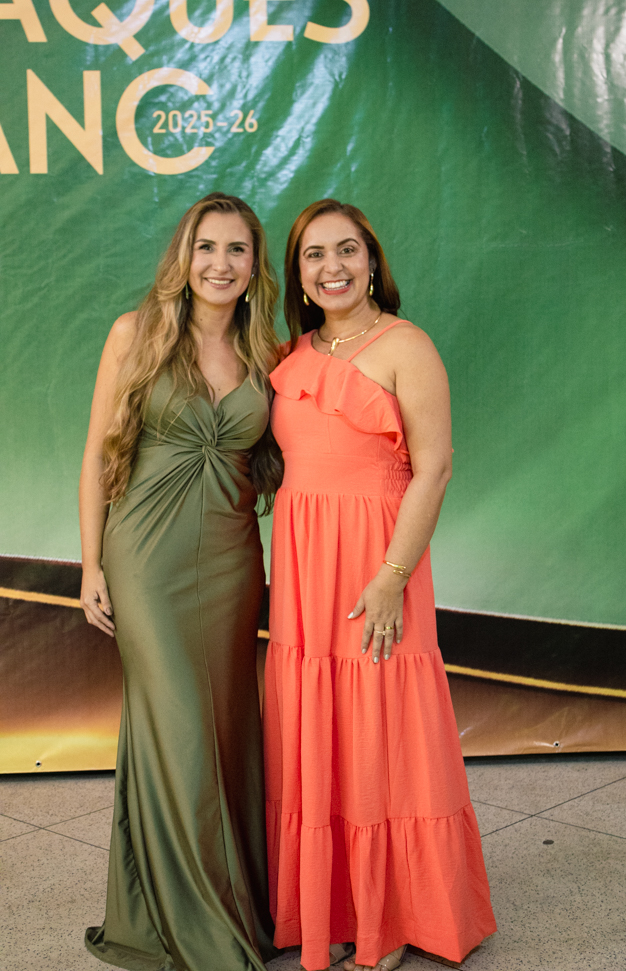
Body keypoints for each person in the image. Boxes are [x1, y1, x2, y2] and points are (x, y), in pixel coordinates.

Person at [263, 200, 496, 971]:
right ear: (297, 273)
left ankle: (388, 916)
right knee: (319, 728)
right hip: (304, 568)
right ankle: (327, 908)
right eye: (313, 255)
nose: (331, 267)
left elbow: (435, 468)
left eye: (346, 250)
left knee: (378, 730)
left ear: (371, 262)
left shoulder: (405, 345)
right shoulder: (290, 354)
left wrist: (392, 577)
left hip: (378, 562)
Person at [79, 193, 281, 971]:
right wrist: (91, 563)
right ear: (183, 256)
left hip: (231, 564)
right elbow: (97, 456)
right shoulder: (133, 335)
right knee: (181, 730)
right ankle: (202, 927)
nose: (219, 264)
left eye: (236, 249)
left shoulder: (268, 355)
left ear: (254, 265)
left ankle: (236, 901)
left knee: (225, 727)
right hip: (145, 558)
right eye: (206, 247)